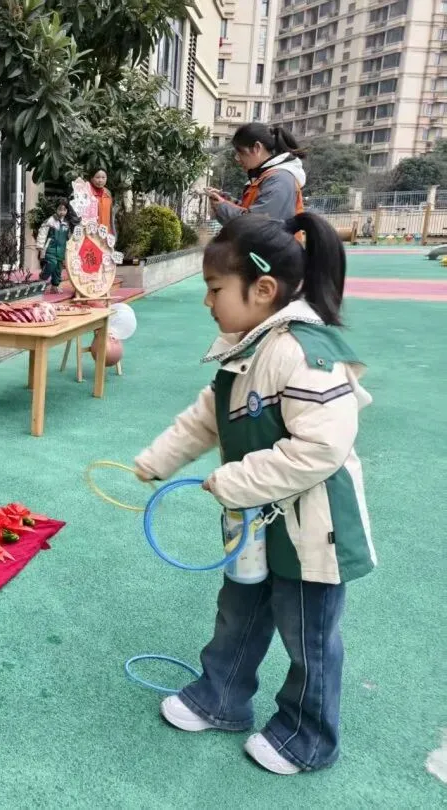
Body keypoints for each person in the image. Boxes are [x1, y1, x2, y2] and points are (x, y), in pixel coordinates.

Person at [133, 212, 375, 775]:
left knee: (308, 635)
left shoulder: (306, 351)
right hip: (257, 521)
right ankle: (221, 698)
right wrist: (157, 460)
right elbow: (207, 416)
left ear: (263, 290)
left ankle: (307, 737)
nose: (207, 301)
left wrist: (234, 481)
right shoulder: (247, 346)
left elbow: (322, 448)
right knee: (239, 610)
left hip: (314, 530)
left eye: (215, 288)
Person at [208, 124, 307, 224]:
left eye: (240, 153)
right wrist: (226, 200)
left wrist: (222, 207)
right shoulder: (267, 177)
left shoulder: (280, 180)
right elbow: (251, 210)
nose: (237, 159)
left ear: (257, 148)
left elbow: (257, 223)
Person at [36, 198, 72, 292]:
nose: (62, 212)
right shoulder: (50, 220)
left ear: (67, 211)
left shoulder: (67, 223)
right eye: (60, 209)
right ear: (56, 209)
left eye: (64, 210)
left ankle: (55, 286)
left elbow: (69, 237)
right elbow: (42, 232)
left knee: (58, 268)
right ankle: (42, 279)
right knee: (52, 263)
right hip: (50, 248)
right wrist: (40, 245)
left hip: (61, 249)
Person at [89, 168, 116, 235]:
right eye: (97, 177)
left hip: (105, 232)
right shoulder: (87, 193)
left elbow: (110, 216)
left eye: (103, 177)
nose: (100, 180)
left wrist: (112, 232)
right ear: (91, 178)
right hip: (91, 233)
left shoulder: (108, 193)